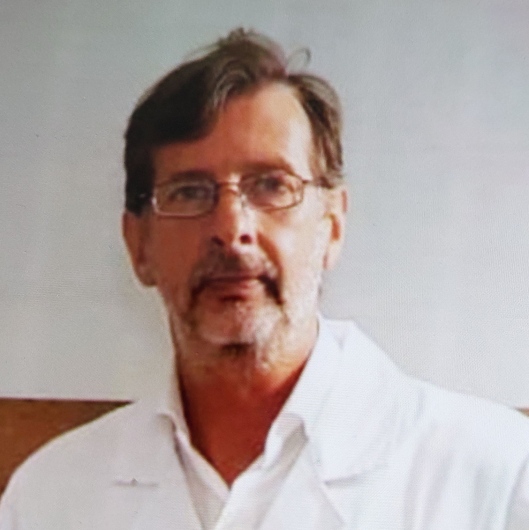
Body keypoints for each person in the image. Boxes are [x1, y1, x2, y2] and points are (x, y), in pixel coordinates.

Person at [1, 28, 528, 530]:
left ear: (332, 225)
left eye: (271, 185)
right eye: (189, 192)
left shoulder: (498, 479)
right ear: (138, 245)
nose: (232, 229)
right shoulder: (50, 496)